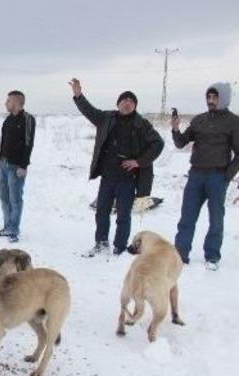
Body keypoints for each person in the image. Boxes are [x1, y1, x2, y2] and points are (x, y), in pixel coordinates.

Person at [69, 78, 164, 257]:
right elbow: (89, 111)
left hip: (127, 179)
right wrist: (78, 95)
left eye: (131, 101)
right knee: (102, 212)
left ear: (135, 106)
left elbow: (158, 144)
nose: (127, 104)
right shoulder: (107, 118)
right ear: (118, 103)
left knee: (123, 216)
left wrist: (139, 162)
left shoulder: (141, 124)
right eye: (124, 100)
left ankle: (119, 247)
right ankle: (101, 243)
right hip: (107, 177)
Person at [172, 82, 239, 271]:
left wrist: (227, 176)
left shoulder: (234, 121)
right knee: (187, 217)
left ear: (223, 98)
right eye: (208, 97)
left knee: (216, 219)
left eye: (215, 97)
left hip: (217, 177)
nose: (210, 101)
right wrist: (176, 129)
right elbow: (180, 143)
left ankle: (212, 256)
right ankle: (180, 254)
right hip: (195, 175)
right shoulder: (199, 120)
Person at [0, 90, 35, 243]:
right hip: (3, 164)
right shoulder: (7, 120)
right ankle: (7, 226)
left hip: (16, 166)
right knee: (3, 197)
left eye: (8, 101)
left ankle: (14, 229)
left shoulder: (28, 119)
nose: (5, 103)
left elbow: (29, 144)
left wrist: (23, 165)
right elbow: (3, 144)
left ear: (16, 102)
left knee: (15, 199)